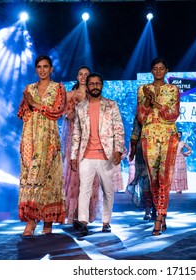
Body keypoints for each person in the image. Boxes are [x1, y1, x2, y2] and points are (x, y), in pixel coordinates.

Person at [17, 55, 66, 237]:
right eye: (39, 67)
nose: (42, 70)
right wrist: (29, 105)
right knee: (30, 178)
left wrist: (35, 103)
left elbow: (57, 111)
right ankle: (31, 221)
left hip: (49, 138)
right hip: (30, 136)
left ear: (51, 69)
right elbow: (22, 112)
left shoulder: (58, 88)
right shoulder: (29, 88)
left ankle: (48, 219)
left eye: (46, 66)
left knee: (49, 178)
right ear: (36, 69)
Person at [70, 72, 125, 236]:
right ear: (87, 86)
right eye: (91, 83)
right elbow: (76, 134)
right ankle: (83, 222)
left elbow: (119, 130)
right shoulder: (80, 107)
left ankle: (106, 221)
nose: (94, 86)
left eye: (97, 83)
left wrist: (118, 149)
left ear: (102, 85)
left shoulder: (111, 105)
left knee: (108, 191)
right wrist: (73, 156)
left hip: (106, 155)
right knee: (84, 189)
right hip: (86, 155)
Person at [136, 57, 180, 235]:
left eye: (162, 68)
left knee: (165, 177)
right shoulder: (142, 89)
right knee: (153, 178)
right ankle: (160, 212)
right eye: (155, 68)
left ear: (166, 70)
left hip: (168, 135)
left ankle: (160, 217)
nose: (158, 71)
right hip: (149, 135)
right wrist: (147, 101)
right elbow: (141, 116)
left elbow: (173, 114)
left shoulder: (173, 89)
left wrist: (155, 102)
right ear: (151, 70)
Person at [61, 66, 103, 224]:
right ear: (77, 76)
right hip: (74, 139)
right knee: (74, 176)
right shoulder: (70, 95)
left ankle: (86, 214)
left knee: (90, 176)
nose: (84, 77)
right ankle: (75, 213)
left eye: (87, 74)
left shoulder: (94, 95)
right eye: (81, 74)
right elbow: (67, 116)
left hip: (91, 139)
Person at [126, 114, 155, 221]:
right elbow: (135, 131)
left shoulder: (162, 108)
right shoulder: (141, 112)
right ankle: (148, 210)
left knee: (156, 182)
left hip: (159, 149)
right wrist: (133, 149)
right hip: (142, 150)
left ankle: (157, 210)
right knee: (146, 182)